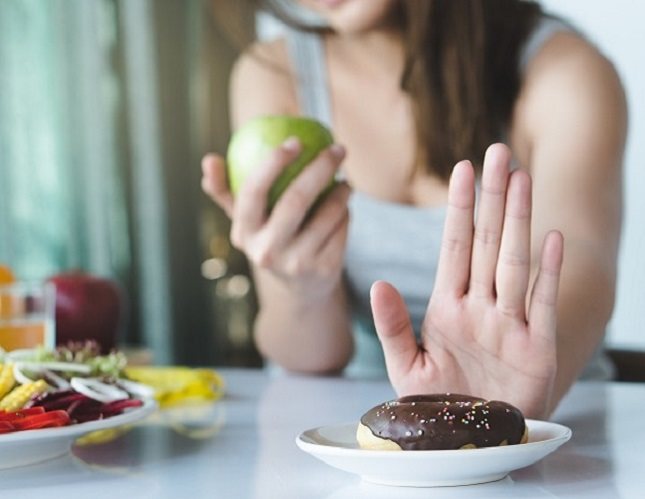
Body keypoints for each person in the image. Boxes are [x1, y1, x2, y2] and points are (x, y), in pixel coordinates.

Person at [201, 0, 626, 419]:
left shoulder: (564, 68)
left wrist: (512, 393)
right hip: (367, 431)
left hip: (557, 421)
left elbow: (582, 258)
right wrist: (300, 289)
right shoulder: (274, 74)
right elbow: (314, 360)